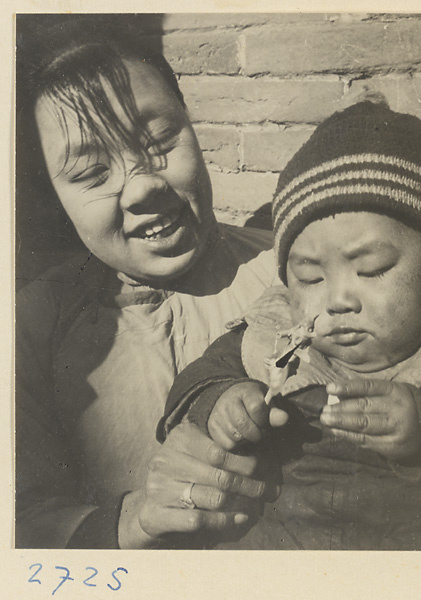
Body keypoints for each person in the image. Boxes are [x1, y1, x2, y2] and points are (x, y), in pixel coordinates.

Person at [159, 100, 421, 550]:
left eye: (371, 269)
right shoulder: (269, 331)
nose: (337, 300)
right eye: (310, 277)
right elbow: (198, 380)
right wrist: (220, 402)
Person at [16, 18, 279, 549]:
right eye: (92, 174)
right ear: (53, 197)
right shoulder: (30, 329)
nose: (142, 188)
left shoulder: (290, 271)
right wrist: (128, 521)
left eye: (159, 142)